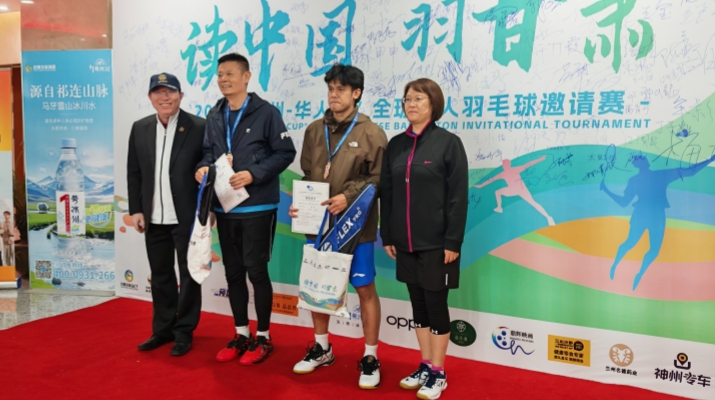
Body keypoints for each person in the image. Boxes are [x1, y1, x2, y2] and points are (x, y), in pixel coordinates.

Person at [289, 64, 387, 389]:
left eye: (341, 89)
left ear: (356, 93)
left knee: (364, 289)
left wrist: (348, 196)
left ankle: (370, 356)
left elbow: (380, 179)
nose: (334, 95)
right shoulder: (314, 130)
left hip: (356, 229)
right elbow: (308, 174)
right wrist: (301, 203)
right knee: (316, 286)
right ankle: (322, 348)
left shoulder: (371, 133)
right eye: (331, 89)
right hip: (318, 226)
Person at [195, 53, 296, 365]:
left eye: (230, 74)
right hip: (225, 207)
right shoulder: (215, 114)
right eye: (220, 74)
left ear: (246, 76)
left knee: (257, 271)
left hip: (258, 206)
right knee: (234, 273)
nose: (224, 79)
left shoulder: (266, 112)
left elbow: (285, 152)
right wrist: (203, 169)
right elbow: (207, 153)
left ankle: (263, 337)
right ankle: (241, 334)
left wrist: (254, 174)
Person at [379, 78, 468, 400]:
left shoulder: (448, 143)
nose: (411, 104)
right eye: (407, 99)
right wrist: (388, 234)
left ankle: (439, 373)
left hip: (437, 244)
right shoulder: (395, 145)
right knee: (418, 306)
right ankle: (426, 365)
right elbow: (387, 192)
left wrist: (453, 242)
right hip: (404, 243)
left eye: (418, 98)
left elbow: (458, 197)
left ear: (433, 104)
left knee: (435, 305)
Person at [127, 72, 206, 356]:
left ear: (181, 95)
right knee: (160, 276)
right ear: (150, 97)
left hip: (186, 217)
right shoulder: (140, 128)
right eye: (158, 92)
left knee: (189, 275)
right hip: (153, 218)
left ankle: (184, 331)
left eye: (170, 91)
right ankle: (162, 330)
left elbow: (208, 164)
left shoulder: (198, 127)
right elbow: (134, 172)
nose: (164, 97)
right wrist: (136, 209)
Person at [601, 153, 715, 290]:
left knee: (647, 248)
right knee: (634, 244)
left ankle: (635, 273)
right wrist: (606, 190)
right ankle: (617, 266)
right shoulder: (655, 176)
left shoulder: (655, 176)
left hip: (651, 215)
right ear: (641, 164)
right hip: (649, 215)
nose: (645, 161)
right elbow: (690, 172)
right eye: (642, 160)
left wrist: (710, 159)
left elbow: (690, 172)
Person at [476, 157, 555, 226]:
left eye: (505, 164)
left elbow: (528, 164)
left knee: (533, 203)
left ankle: (548, 217)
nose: (504, 166)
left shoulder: (514, 170)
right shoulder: (503, 173)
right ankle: (499, 208)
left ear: (508, 165)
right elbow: (491, 180)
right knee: (498, 192)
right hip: (513, 190)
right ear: (503, 166)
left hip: (521, 190)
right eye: (504, 164)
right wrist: (481, 185)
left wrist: (540, 159)